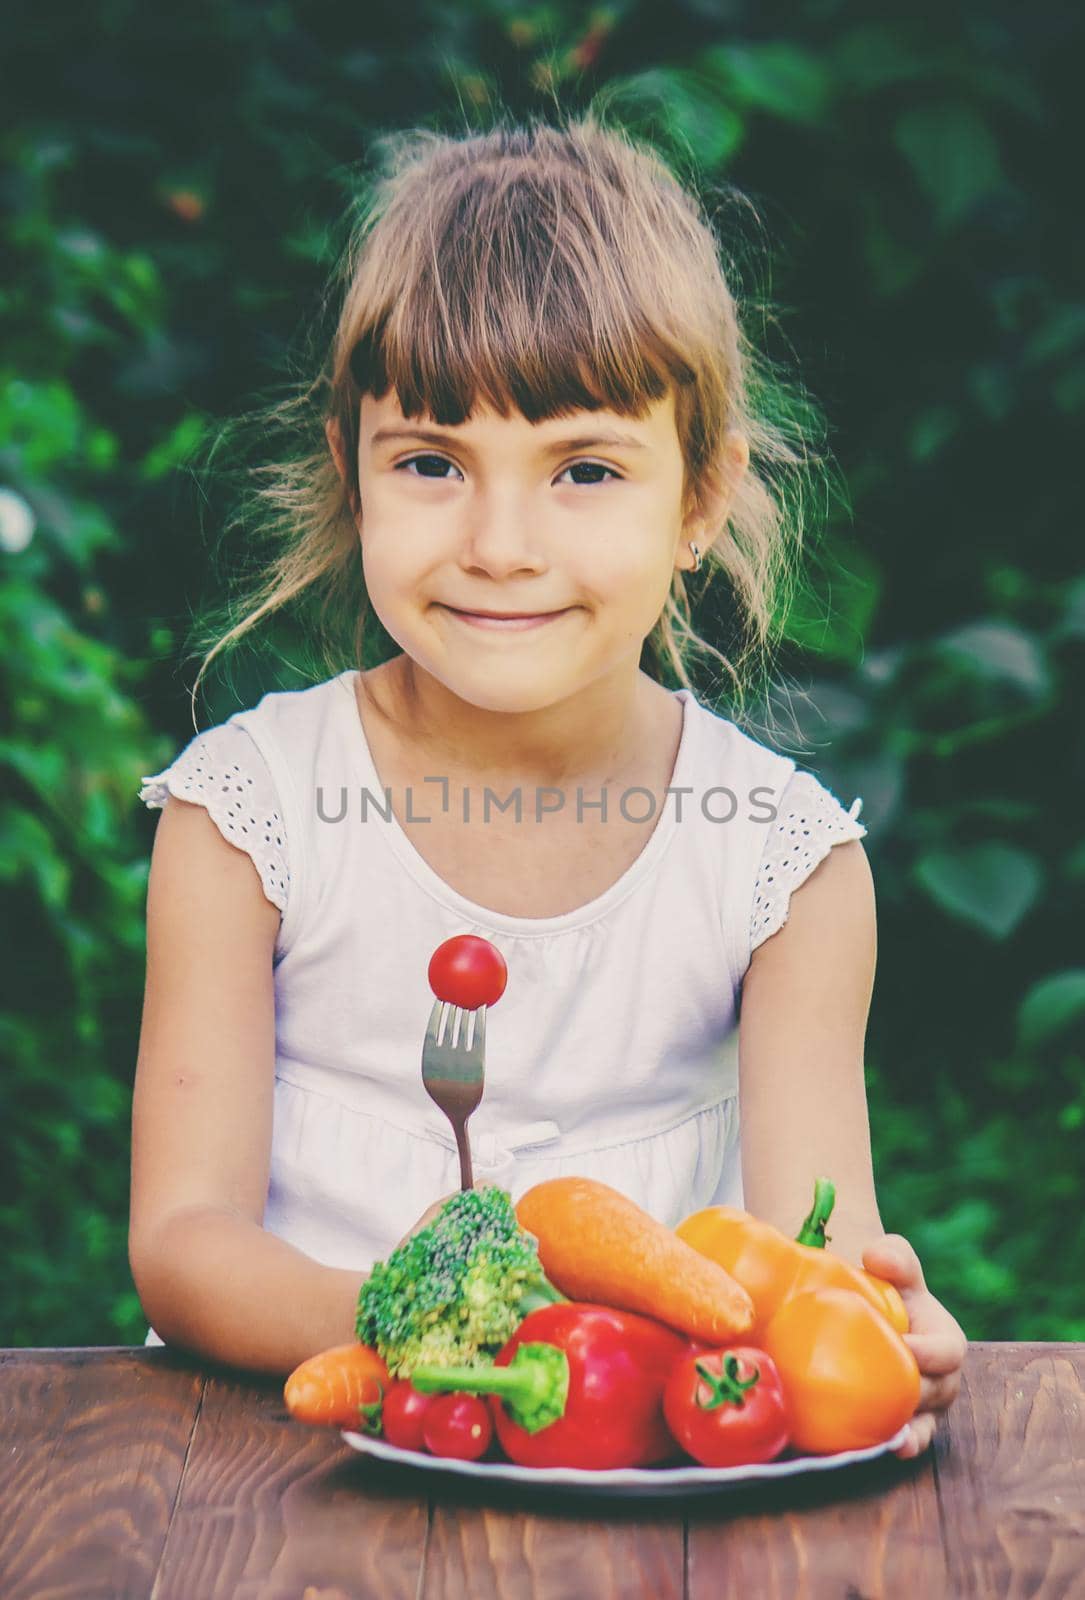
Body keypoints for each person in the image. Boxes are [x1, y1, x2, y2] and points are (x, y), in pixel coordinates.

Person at [128, 109, 965, 1459]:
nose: (500, 545)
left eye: (583, 469)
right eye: (429, 463)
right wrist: (444, 1339)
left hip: (638, 1482)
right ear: (349, 469)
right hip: (276, 1479)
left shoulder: (782, 866)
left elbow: (820, 1256)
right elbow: (183, 1245)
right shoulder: (250, 816)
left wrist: (878, 1335)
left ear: (698, 498)